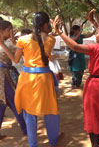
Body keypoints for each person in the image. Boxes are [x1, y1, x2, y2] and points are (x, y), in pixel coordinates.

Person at [52, 9, 99, 147]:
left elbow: (75, 46)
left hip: (95, 86)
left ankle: (96, 143)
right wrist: (93, 21)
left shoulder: (96, 48)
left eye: (97, 33)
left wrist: (60, 32)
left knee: (94, 117)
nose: (95, 34)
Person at [0, 12, 63, 147]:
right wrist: (54, 28)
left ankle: (33, 144)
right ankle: (53, 141)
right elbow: (43, 43)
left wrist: (2, 44)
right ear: (46, 24)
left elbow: (15, 59)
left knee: (29, 113)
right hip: (45, 79)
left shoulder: (23, 40)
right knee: (50, 110)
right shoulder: (51, 40)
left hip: (28, 79)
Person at [0, 20, 27, 140]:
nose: (11, 31)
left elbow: (21, 50)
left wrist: (12, 39)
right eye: (9, 30)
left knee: (3, 104)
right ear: (1, 31)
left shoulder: (7, 43)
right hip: (3, 77)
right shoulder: (5, 44)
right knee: (14, 101)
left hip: (5, 75)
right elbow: (20, 51)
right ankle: (26, 128)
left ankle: (25, 127)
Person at [69, 24, 95, 88]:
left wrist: (94, 31)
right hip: (74, 55)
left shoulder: (80, 36)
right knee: (76, 69)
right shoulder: (71, 37)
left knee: (82, 69)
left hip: (81, 54)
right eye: (78, 30)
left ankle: (78, 83)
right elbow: (75, 38)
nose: (79, 31)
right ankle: (74, 83)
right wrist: (80, 31)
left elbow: (89, 35)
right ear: (75, 30)